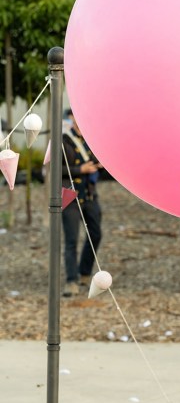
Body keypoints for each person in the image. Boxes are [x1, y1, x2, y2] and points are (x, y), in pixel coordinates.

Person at [61, 109, 102, 297]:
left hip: (89, 194)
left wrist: (98, 164)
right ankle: (71, 280)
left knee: (95, 234)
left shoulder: (91, 138)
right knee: (71, 240)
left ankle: (84, 272)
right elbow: (55, 168)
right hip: (70, 195)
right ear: (71, 118)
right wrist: (80, 169)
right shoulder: (63, 140)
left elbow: (95, 161)